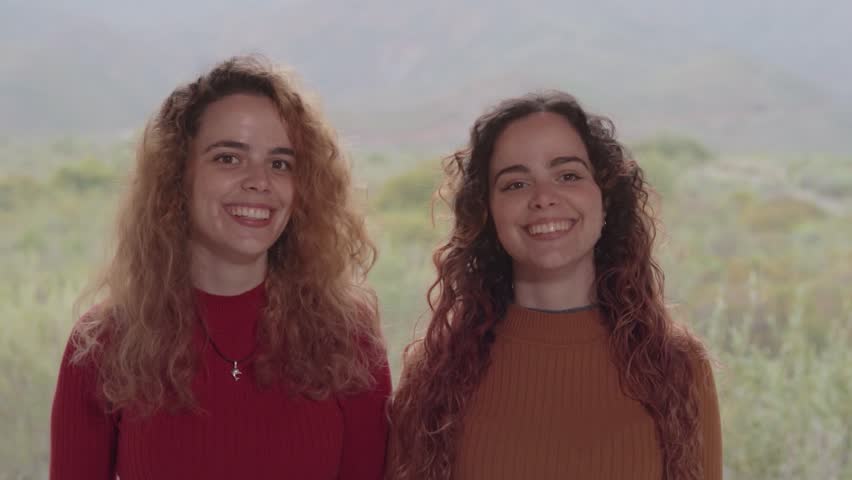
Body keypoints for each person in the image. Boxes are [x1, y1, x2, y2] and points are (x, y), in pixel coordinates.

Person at [50, 55, 390, 479]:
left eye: (280, 163)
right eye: (229, 158)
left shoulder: (348, 338)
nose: (259, 181)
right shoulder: (103, 344)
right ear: (179, 176)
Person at [387, 91, 722, 479]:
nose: (544, 198)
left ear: (606, 199)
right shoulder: (436, 375)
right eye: (515, 184)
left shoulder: (677, 367)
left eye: (568, 175)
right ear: (488, 213)